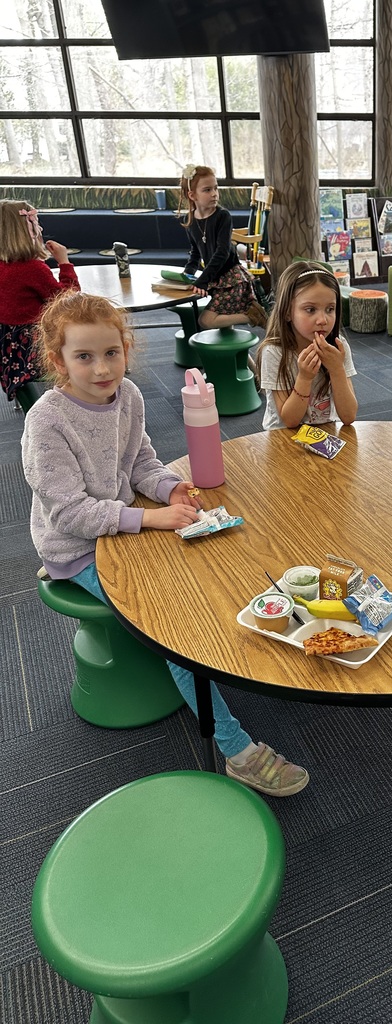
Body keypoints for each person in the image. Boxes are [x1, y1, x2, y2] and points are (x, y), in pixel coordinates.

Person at [21, 290, 308, 798]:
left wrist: (168, 488)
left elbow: (140, 463)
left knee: (214, 562)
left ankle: (235, 659)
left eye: (111, 353)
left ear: (126, 350)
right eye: (84, 356)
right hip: (76, 545)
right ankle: (237, 750)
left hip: (121, 524)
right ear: (58, 360)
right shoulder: (46, 421)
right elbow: (68, 513)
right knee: (171, 622)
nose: (102, 368)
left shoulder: (128, 396)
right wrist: (150, 518)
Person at [257, 261, 358, 430]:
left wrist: (337, 369)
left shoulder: (338, 347)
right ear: (288, 312)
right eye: (310, 310)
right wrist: (304, 378)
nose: (323, 320)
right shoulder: (274, 352)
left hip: (325, 433)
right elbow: (290, 421)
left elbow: (348, 416)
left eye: (330, 309)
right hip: (283, 437)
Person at [0, 200, 80, 407]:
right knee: (86, 341)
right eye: (36, 224)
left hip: (7, 347)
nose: (41, 229)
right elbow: (69, 301)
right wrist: (64, 262)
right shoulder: (31, 268)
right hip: (33, 348)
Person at [178, 163, 268, 333]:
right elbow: (195, 252)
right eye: (207, 190)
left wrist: (203, 280)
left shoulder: (222, 216)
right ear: (192, 195)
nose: (214, 194)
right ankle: (239, 351)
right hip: (215, 277)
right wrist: (188, 273)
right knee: (225, 328)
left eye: (216, 188)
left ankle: (253, 316)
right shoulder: (190, 221)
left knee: (205, 321)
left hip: (230, 278)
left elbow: (222, 252)